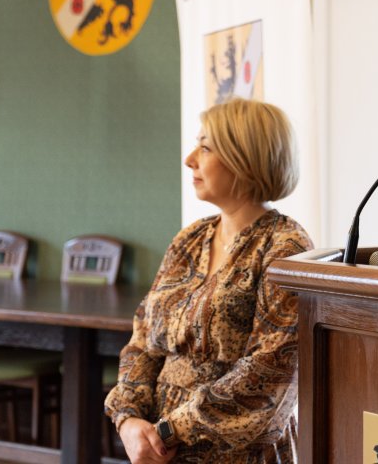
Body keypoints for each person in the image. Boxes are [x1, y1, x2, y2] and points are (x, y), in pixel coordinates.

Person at [105, 97, 314, 463]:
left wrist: (168, 432)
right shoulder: (191, 238)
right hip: (158, 449)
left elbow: (271, 371)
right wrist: (129, 419)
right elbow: (144, 336)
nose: (190, 159)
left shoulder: (285, 246)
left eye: (205, 148)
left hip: (235, 454)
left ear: (244, 157)